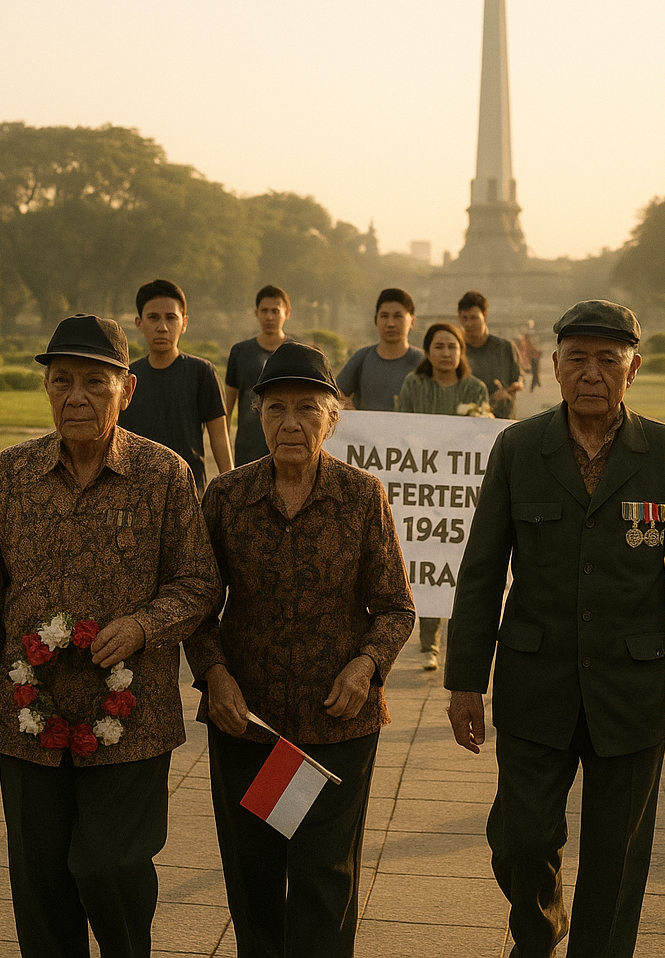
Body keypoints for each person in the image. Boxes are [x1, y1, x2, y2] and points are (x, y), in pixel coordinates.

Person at [0, 313, 221, 958]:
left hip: (132, 722)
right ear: (46, 387)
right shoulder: (12, 476)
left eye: (94, 383)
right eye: (62, 380)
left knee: (112, 869)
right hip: (27, 724)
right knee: (39, 889)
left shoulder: (165, 476)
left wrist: (141, 626)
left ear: (126, 390)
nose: (76, 396)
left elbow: (198, 585)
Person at [445, 300, 665, 958]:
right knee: (520, 841)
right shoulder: (520, 448)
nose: (591, 371)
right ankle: (540, 924)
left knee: (616, 863)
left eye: (607, 359)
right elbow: (480, 571)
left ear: (632, 369)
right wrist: (465, 681)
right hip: (536, 683)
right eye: (577, 358)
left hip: (632, 691)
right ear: (552, 366)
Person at [185, 342, 415, 958]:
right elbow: (199, 605)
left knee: (322, 879)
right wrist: (215, 677)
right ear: (257, 416)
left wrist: (366, 667)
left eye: (308, 408)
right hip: (249, 725)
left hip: (335, 726)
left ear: (332, 417)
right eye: (277, 407)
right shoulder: (227, 498)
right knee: (254, 879)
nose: (291, 422)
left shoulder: (363, 498)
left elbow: (396, 606)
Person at [397, 322, 490, 669]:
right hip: (423, 486)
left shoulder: (475, 389)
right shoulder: (414, 384)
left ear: (462, 351)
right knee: (428, 557)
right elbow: (401, 429)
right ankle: (430, 642)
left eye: (452, 347)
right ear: (427, 351)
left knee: (460, 560)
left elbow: (482, 437)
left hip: (462, 491)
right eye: (439, 347)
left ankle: (461, 642)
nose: (446, 353)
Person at [119, 278, 232, 492]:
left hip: (188, 491)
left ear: (184, 323)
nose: (162, 327)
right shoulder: (126, 378)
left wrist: (231, 491)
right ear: (139, 323)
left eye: (171, 318)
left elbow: (219, 438)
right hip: (135, 493)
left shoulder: (202, 372)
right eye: (153, 318)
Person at [225, 285, 293, 465]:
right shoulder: (240, 352)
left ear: (287, 313)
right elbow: (228, 404)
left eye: (275, 311)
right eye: (264, 311)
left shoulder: (298, 353)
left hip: (287, 443)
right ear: (256, 313)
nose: (269, 317)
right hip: (248, 446)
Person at [337, 287, 424, 410]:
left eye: (398, 316)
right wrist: (348, 409)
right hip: (366, 428)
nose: (390, 323)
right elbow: (334, 393)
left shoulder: (422, 362)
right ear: (376, 320)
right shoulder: (362, 357)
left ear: (412, 321)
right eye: (384, 316)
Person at [457, 290, 524, 418]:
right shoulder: (456, 350)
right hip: (465, 420)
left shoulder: (505, 347)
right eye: (464, 318)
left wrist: (506, 392)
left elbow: (518, 381)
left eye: (474, 317)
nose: (468, 324)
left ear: (485, 316)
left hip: (501, 420)